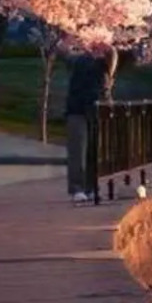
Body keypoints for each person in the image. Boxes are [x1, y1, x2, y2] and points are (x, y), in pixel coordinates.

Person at [65, 46, 107, 204]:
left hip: (95, 108)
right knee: (78, 151)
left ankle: (90, 187)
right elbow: (66, 55)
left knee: (93, 151)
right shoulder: (78, 59)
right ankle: (77, 187)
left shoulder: (105, 59)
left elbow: (112, 60)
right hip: (77, 109)